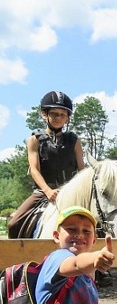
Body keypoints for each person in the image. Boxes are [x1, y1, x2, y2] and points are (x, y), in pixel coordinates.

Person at [8, 92, 85, 239]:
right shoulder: (34, 140)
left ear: (67, 117)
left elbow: (82, 170)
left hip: (70, 192)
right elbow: (34, 170)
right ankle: (17, 259)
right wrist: (48, 191)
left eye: (63, 114)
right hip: (42, 193)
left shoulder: (74, 141)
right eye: (54, 114)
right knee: (13, 224)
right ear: (45, 114)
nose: (58, 118)